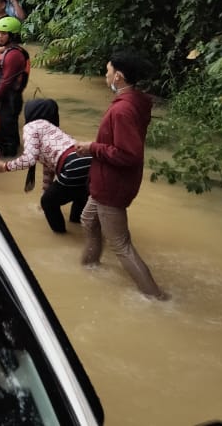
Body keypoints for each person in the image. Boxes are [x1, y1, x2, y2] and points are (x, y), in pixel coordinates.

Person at [75, 51, 166, 299]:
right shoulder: (135, 100)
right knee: (87, 219)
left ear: (119, 76)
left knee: (121, 245)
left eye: (107, 71)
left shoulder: (122, 110)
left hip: (112, 183)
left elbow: (128, 154)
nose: (105, 76)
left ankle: (157, 298)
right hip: (108, 178)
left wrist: (92, 147)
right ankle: (89, 266)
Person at [0, 100, 92, 234]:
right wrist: (47, 191)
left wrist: (5, 166)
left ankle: (61, 236)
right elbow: (49, 169)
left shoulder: (30, 126)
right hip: (89, 161)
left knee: (48, 202)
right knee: (79, 194)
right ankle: (78, 227)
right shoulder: (51, 128)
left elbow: (29, 159)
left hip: (72, 164)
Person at [0, 16, 30, 157]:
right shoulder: (8, 50)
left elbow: (7, 81)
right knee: (6, 127)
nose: (0, 36)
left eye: (4, 33)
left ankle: (10, 156)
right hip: (6, 96)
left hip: (10, 98)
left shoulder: (14, 54)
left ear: (13, 35)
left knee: (8, 129)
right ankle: (11, 152)